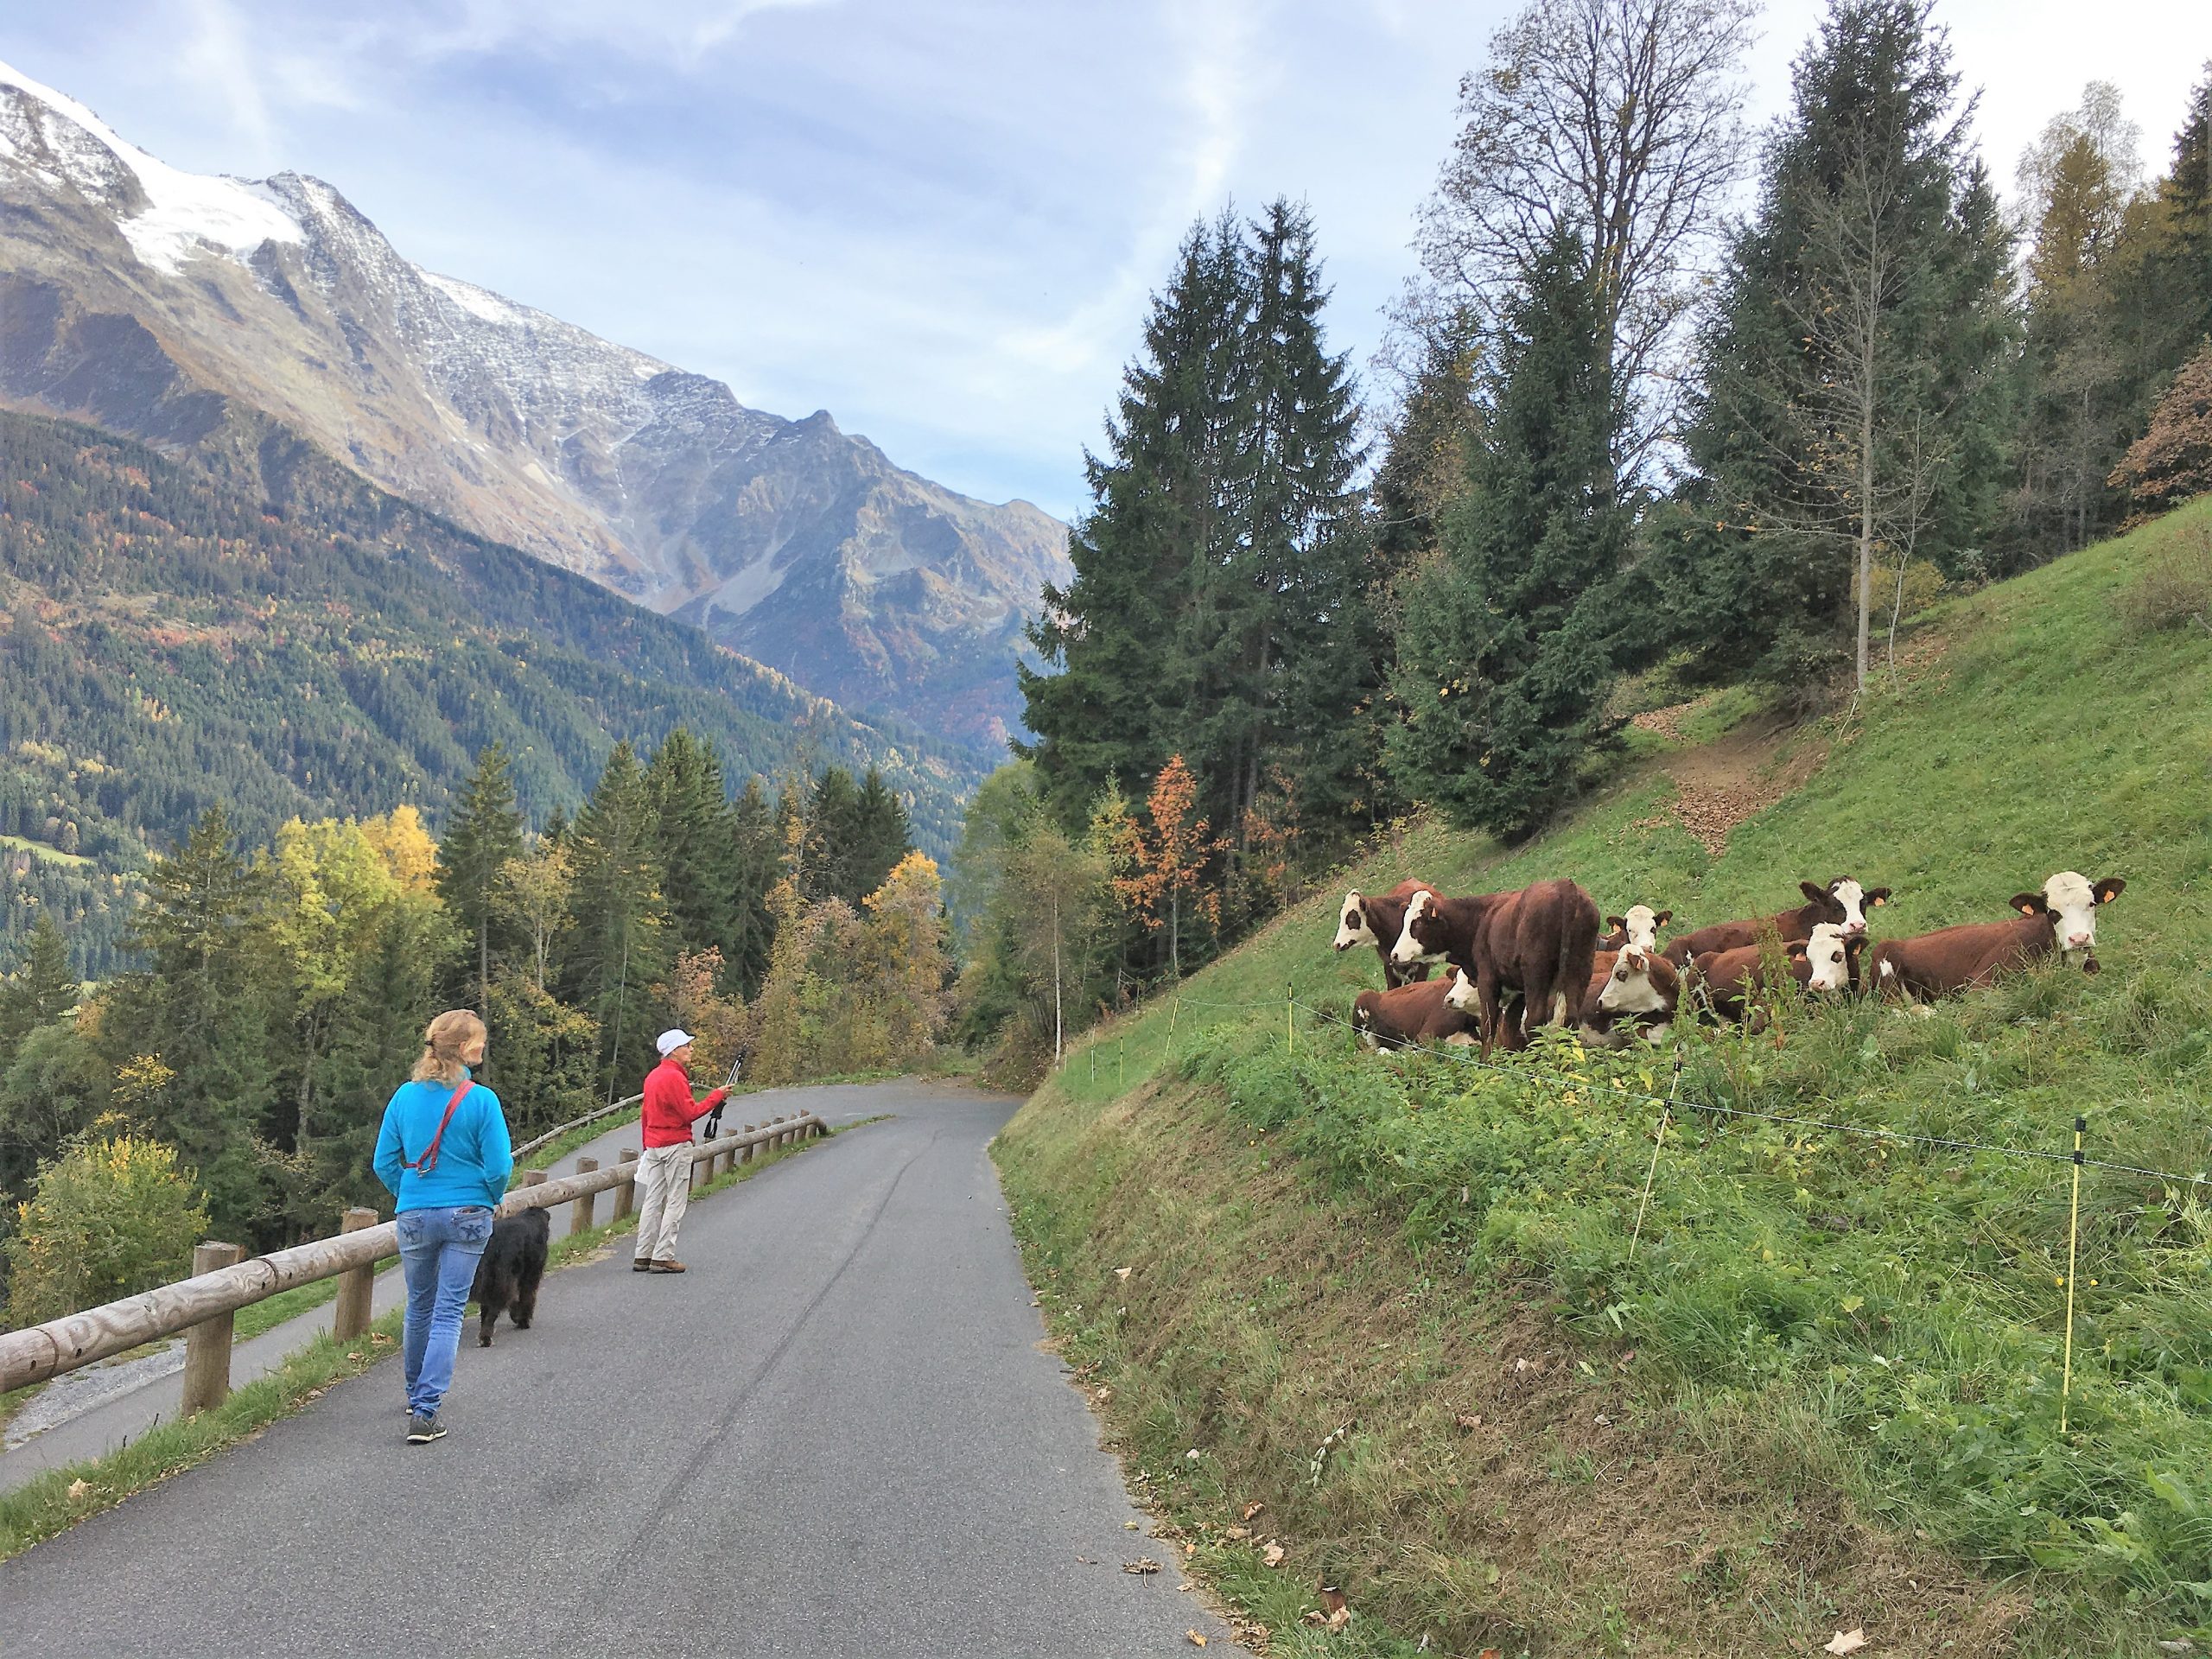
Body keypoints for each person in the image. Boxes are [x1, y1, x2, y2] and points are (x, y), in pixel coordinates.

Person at [373, 1009, 514, 1444]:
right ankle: (426, 1411)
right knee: (449, 1311)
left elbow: (383, 1162)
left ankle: (415, 1393)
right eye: (480, 1041)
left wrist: (410, 1194)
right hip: (468, 1214)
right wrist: (489, 1197)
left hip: (415, 1213)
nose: (483, 1047)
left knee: (419, 1305)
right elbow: (498, 1165)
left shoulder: (404, 1096)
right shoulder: (481, 1099)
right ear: (466, 1048)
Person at [632, 1028, 730, 1274]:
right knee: (675, 1200)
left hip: (654, 1145)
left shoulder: (653, 1077)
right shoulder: (675, 1078)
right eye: (686, 1045)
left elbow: (645, 1114)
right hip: (675, 1144)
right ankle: (663, 1256)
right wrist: (716, 1096)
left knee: (653, 1200)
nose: (690, 1049)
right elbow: (690, 1113)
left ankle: (643, 1254)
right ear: (674, 1050)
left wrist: (647, 1145)